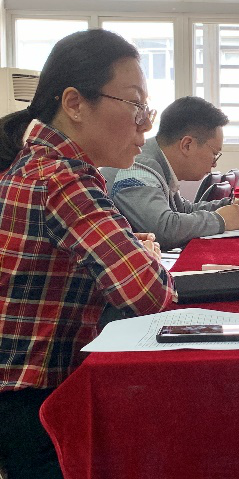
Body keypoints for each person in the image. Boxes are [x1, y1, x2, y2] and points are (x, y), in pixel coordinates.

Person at [0, 29, 175, 478]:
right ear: (75, 104)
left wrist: (134, 251)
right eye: (135, 105)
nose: (144, 126)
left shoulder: (39, 164)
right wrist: (147, 257)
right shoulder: (62, 178)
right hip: (31, 407)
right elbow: (147, 293)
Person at [101, 96, 239, 250]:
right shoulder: (137, 167)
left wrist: (231, 206)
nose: (215, 163)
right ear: (187, 145)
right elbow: (163, 229)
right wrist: (220, 220)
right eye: (214, 154)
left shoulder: (159, 164)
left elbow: (183, 210)